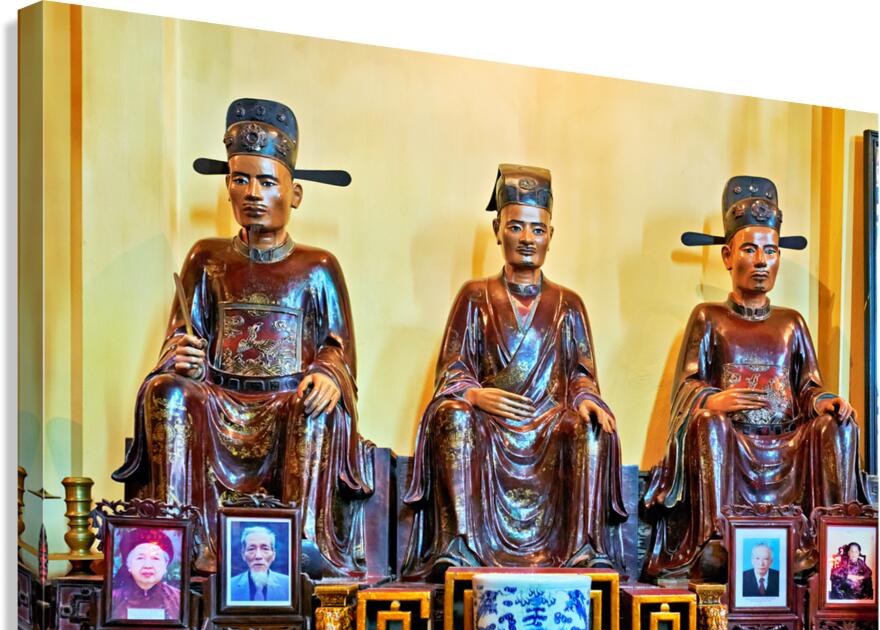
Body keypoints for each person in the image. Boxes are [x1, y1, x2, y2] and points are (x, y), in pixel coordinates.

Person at [112, 98, 374, 578]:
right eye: (241, 179)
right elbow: (181, 339)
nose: (254, 193)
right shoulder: (206, 258)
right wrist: (183, 360)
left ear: (295, 194)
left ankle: (303, 541)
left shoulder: (318, 268)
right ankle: (175, 539)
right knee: (166, 393)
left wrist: (328, 374)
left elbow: (338, 350)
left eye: (268, 181)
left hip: (286, 402)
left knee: (315, 407)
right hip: (218, 403)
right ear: (228, 188)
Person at [402, 164, 627, 580]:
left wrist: (587, 398)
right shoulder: (474, 296)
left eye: (537, 230)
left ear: (551, 237)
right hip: (489, 426)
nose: (527, 239)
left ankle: (583, 548)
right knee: (451, 415)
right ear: (497, 230)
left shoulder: (568, 304)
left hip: (548, 422)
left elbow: (581, 373)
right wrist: (473, 395)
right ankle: (461, 544)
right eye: (516, 227)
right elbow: (454, 367)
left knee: (591, 428)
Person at [642, 176, 862, 579]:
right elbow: (688, 385)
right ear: (728, 256)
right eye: (749, 249)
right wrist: (711, 400)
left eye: (770, 251)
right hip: (732, 442)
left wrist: (824, 400)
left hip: (787, 443)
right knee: (708, 422)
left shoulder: (791, 323)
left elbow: (807, 386)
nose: (761, 261)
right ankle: (717, 539)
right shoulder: (708, 317)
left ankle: (828, 544)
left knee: (839, 427)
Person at [111, 528, 181, 620]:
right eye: (140, 558)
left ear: (165, 566)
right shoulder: (113, 598)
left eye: (155, 559)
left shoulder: (178, 598)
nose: (148, 565)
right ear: (129, 565)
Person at [229, 525, 290, 602]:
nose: (258, 556)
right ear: (243, 555)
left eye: (265, 548)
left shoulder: (288, 585)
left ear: (273, 555)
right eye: (251, 549)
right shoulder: (229, 587)